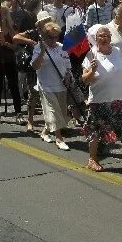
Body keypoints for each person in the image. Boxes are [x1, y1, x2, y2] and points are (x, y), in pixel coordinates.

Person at [81, 24, 122, 172]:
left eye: (107, 35)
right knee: (95, 132)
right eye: (101, 36)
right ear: (95, 38)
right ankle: (92, 159)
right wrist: (92, 71)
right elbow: (84, 79)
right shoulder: (91, 54)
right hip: (99, 100)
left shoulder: (117, 51)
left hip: (120, 100)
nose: (105, 38)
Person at [31, 21, 72, 150]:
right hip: (46, 85)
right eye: (51, 37)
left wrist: (68, 75)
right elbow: (35, 66)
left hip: (61, 85)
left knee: (61, 113)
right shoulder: (38, 48)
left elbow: (67, 65)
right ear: (44, 37)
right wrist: (43, 51)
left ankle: (44, 132)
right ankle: (59, 138)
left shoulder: (61, 47)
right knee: (53, 112)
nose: (54, 40)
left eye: (56, 37)